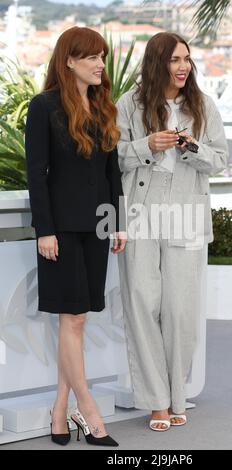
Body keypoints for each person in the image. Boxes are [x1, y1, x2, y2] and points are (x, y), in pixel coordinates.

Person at [116, 32, 228, 431]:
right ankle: (156, 402)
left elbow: (220, 160)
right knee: (142, 305)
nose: (184, 67)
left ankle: (177, 394)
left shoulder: (202, 105)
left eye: (187, 59)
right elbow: (112, 158)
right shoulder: (129, 105)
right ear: (157, 61)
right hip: (141, 210)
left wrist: (191, 148)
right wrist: (147, 144)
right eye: (175, 59)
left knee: (180, 309)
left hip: (186, 208)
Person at [25, 26, 126, 446]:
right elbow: (37, 174)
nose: (100, 64)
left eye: (101, 56)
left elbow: (112, 172)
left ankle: (59, 411)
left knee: (78, 320)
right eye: (91, 57)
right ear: (68, 60)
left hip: (97, 228)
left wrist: (117, 221)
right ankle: (88, 408)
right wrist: (44, 230)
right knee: (75, 318)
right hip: (62, 230)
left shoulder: (105, 107)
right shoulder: (43, 106)